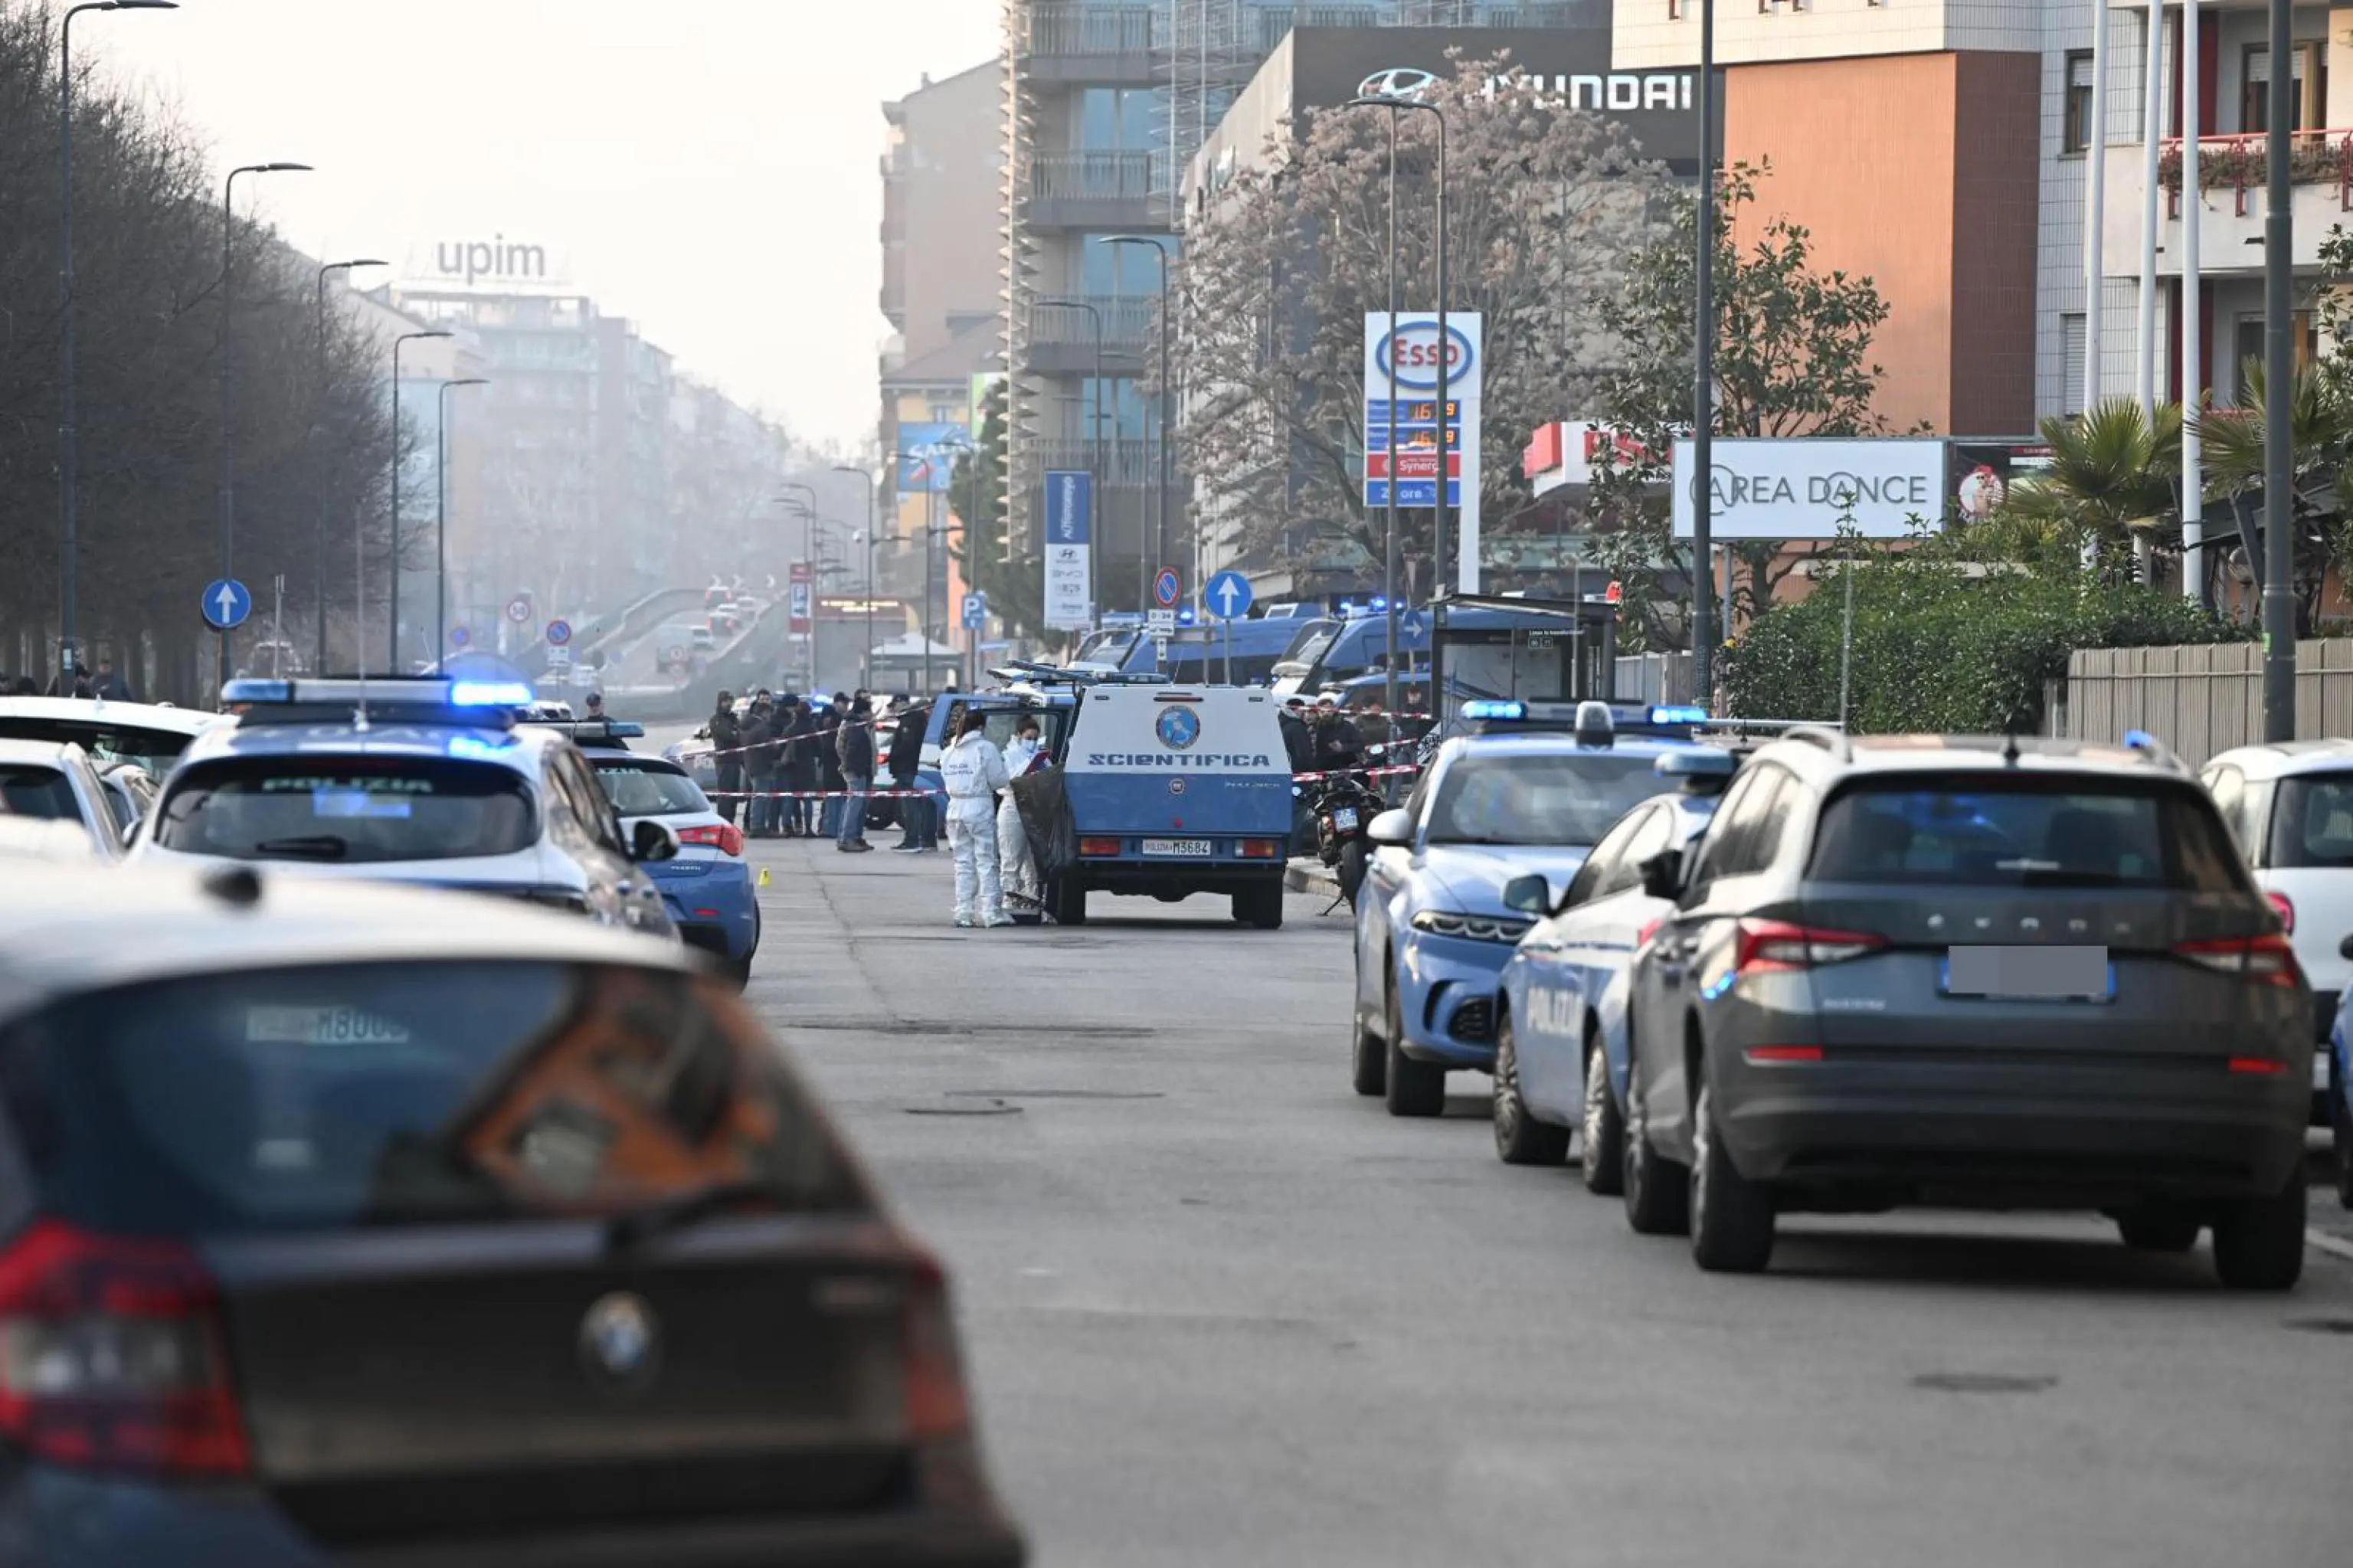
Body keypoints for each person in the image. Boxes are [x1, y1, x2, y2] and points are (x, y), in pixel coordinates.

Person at [940, 709, 1012, 927]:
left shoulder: (949, 751)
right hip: (978, 806)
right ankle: (991, 912)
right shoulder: (985, 748)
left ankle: (963, 912)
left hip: (955, 808)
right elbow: (999, 780)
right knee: (986, 861)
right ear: (981, 727)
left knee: (963, 862)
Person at [997, 715, 1045, 908]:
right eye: (1028, 738)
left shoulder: (1040, 756)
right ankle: (1009, 899)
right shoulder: (1008, 755)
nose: (1031, 742)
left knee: (1033, 860)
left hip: (1034, 806)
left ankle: (1032, 897)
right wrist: (1028, 766)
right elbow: (1008, 779)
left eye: (1035, 738)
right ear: (1018, 736)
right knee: (1011, 856)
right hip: (1013, 805)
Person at [889, 701, 936, 853]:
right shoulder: (924, 722)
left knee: (910, 807)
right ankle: (927, 840)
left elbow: (906, 745)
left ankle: (912, 840)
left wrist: (892, 757)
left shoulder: (909, 720)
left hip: (906, 769)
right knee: (924, 806)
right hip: (918, 769)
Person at [835, 695, 875, 853]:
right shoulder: (854, 727)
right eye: (869, 711)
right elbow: (851, 751)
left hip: (860, 769)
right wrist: (854, 767)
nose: (871, 714)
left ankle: (855, 837)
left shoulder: (858, 725)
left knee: (858, 806)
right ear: (863, 712)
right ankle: (847, 838)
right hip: (856, 770)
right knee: (854, 805)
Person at [743, 696, 780, 837]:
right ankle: (758, 826)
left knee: (758, 797)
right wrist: (776, 748)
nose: (771, 716)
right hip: (762, 767)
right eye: (769, 713)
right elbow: (766, 749)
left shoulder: (751, 726)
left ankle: (756, 825)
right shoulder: (762, 728)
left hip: (752, 766)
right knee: (761, 798)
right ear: (764, 713)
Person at [707, 692, 743, 826]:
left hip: (735, 760)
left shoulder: (734, 718)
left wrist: (737, 733)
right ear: (720, 702)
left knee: (734, 795)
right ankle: (723, 823)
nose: (728, 704)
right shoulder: (716, 720)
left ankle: (730, 823)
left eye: (730, 701)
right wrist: (736, 733)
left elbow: (741, 734)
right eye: (725, 701)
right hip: (724, 761)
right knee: (725, 795)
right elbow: (728, 736)